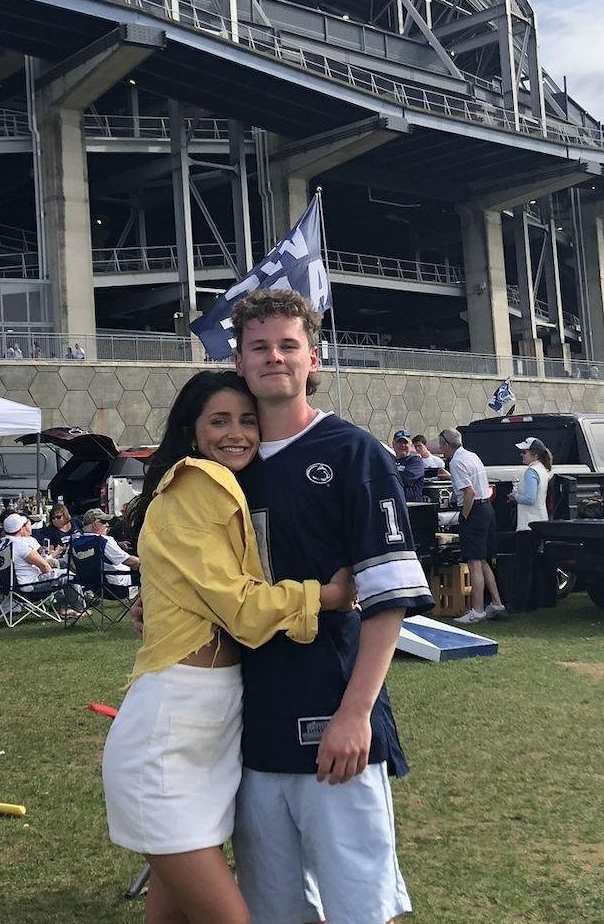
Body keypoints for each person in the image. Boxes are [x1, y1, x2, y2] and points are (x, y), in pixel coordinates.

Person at [104, 371, 355, 924]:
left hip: (212, 730)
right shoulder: (197, 481)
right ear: (192, 432)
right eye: (219, 421)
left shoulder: (223, 485)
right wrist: (329, 595)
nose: (237, 433)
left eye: (247, 420)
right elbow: (242, 609)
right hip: (171, 735)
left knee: (170, 913)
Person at [229, 289, 433, 924]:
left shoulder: (352, 453)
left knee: (357, 904)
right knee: (273, 906)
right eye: (259, 347)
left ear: (312, 359)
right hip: (247, 722)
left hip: (332, 713)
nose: (274, 358)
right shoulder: (221, 462)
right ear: (238, 361)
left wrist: (355, 712)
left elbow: (386, 598)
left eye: (288, 346)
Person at [439, 428, 506, 623]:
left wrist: (464, 516)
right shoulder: (471, 455)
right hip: (487, 508)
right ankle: (496, 603)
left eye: (441, 445)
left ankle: (477, 610)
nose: (441, 450)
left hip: (474, 510)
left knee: (474, 561)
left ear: (447, 445)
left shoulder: (457, 461)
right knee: (483, 559)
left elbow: (468, 492)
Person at [508, 436, 553, 612]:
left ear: (534, 454)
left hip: (528, 524)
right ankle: (534, 601)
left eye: (524, 452)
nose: (522, 455)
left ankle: (520, 604)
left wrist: (515, 497)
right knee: (535, 564)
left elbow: (530, 498)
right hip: (540, 520)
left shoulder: (531, 471)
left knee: (523, 567)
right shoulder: (543, 469)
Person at [78, 509, 138, 593]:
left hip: (92, 588)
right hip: (116, 587)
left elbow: (68, 564)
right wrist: (147, 562)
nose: (107, 525)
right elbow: (129, 561)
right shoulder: (104, 541)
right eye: (103, 522)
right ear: (95, 525)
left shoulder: (74, 542)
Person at [390, 430, 428, 501]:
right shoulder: (389, 460)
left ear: (410, 445)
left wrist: (388, 477)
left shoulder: (415, 461)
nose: (403, 445)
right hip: (393, 503)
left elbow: (406, 478)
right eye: (399, 442)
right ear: (393, 444)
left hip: (412, 505)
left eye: (405, 443)